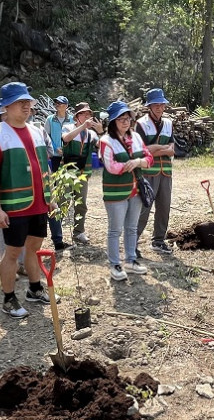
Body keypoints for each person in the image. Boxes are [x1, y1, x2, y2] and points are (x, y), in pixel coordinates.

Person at [0, 82, 56, 318]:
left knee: (34, 248)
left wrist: (50, 197)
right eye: (20, 102)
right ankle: (8, 298)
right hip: (15, 204)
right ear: (6, 106)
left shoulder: (36, 131)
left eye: (28, 101)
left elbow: (44, 167)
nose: (26, 106)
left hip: (38, 202)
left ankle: (34, 289)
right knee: (13, 253)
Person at [98, 101, 150, 281]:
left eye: (127, 118)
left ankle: (131, 260)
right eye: (121, 119)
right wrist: (129, 165)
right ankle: (114, 264)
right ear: (112, 122)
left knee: (131, 227)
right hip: (115, 192)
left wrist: (138, 162)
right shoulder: (106, 141)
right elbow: (110, 166)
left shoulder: (135, 137)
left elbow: (148, 158)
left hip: (135, 190)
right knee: (115, 230)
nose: (125, 122)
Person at [135, 88, 175, 255]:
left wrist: (158, 149)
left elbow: (172, 149)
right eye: (155, 104)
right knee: (144, 208)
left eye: (161, 104)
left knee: (164, 207)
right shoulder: (141, 124)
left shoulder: (169, 123)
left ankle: (158, 241)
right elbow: (143, 150)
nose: (159, 107)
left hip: (165, 172)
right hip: (147, 172)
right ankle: (133, 242)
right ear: (149, 106)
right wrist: (163, 149)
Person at [60, 102, 100, 245]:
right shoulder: (68, 127)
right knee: (62, 203)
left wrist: (101, 131)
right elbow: (65, 138)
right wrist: (83, 127)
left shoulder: (92, 134)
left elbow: (102, 146)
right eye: (84, 113)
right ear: (77, 116)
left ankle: (78, 232)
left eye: (89, 114)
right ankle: (57, 234)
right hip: (67, 173)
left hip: (83, 173)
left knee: (81, 204)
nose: (87, 116)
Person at [44, 95, 71, 251]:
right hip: (54, 157)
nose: (58, 106)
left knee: (65, 191)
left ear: (66, 106)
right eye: (56, 103)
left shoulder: (72, 119)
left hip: (68, 157)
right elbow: (46, 137)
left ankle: (64, 226)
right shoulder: (50, 119)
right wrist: (55, 149)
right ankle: (57, 236)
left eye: (61, 104)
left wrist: (66, 149)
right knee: (53, 190)